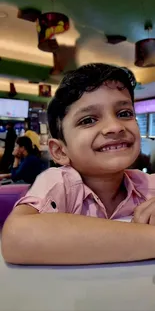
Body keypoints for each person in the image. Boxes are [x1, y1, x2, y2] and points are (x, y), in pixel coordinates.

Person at [2, 63, 155, 266]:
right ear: (60, 151)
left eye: (124, 113)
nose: (115, 127)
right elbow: (17, 237)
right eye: (89, 119)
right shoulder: (59, 183)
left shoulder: (148, 185)